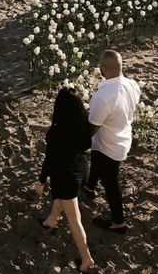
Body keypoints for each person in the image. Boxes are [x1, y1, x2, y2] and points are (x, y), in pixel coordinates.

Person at [35, 88, 97, 273]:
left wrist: (41, 181)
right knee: (64, 198)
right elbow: (87, 144)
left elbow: (49, 159)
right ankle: (51, 220)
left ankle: (86, 259)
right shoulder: (83, 125)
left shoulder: (55, 131)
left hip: (65, 175)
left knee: (74, 220)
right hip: (81, 168)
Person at [83, 50, 141, 234]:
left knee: (111, 184)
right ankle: (89, 187)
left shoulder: (103, 97)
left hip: (111, 146)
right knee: (97, 158)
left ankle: (118, 222)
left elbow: (92, 128)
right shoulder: (132, 85)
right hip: (121, 137)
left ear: (103, 68)